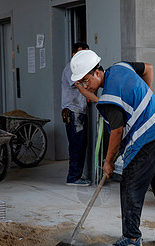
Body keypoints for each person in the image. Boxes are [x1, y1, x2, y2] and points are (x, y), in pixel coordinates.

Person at [70, 50, 155, 246]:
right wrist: (144, 100)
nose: (84, 86)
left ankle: (131, 238)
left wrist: (108, 162)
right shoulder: (120, 67)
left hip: (149, 136)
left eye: (84, 81)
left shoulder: (110, 98)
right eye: (81, 84)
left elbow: (116, 134)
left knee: (130, 183)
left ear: (96, 73)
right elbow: (148, 68)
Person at [61, 42, 94, 186]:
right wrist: (100, 100)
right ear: (74, 55)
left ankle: (76, 175)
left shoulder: (83, 70)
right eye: (82, 54)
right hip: (73, 113)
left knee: (80, 144)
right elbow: (81, 88)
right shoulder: (70, 69)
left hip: (80, 111)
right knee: (77, 145)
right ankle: (73, 177)